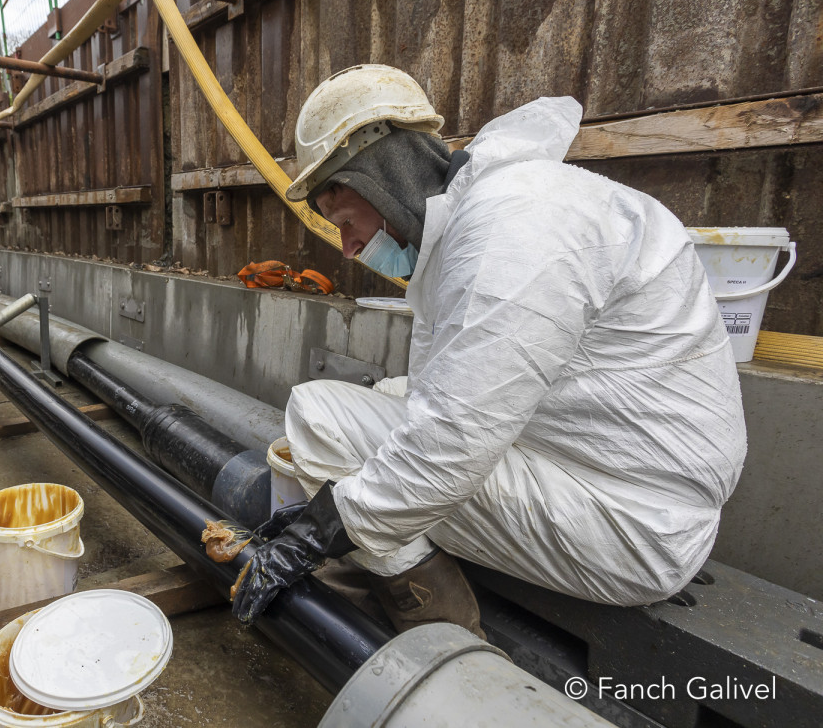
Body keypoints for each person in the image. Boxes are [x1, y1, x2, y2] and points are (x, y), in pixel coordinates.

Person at [230, 65, 748, 637]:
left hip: (632, 528)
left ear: (382, 178)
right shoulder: (508, 204)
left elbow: (450, 443)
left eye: (347, 221)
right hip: (633, 485)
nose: (349, 249)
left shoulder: (513, 231)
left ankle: (435, 623)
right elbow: (450, 396)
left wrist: (312, 536)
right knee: (390, 397)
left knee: (318, 415)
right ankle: (401, 566)